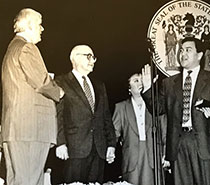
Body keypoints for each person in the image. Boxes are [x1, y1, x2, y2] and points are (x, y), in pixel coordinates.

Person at [141, 36, 210, 185]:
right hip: (178, 144)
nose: (183, 54)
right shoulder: (168, 83)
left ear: (199, 55)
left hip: (204, 145)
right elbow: (158, 109)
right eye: (181, 50)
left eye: (188, 50)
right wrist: (148, 89)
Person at [1, 8, 64, 185]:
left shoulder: (12, 49)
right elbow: (42, 82)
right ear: (28, 25)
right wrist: (59, 91)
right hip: (30, 129)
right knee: (30, 181)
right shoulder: (27, 48)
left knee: (18, 181)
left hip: (16, 130)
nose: (42, 29)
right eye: (39, 24)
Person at [54, 45, 116, 184]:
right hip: (74, 150)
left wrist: (111, 144)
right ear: (75, 58)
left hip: (99, 150)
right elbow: (58, 116)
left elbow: (106, 117)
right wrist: (60, 143)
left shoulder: (99, 85)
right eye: (88, 56)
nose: (92, 60)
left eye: (93, 57)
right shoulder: (61, 82)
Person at [112, 73, 166, 185]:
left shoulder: (157, 106)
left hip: (153, 157)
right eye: (136, 81)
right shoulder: (121, 107)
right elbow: (114, 133)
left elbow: (165, 132)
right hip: (131, 159)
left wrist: (166, 154)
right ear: (129, 88)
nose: (140, 83)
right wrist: (110, 148)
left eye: (141, 80)